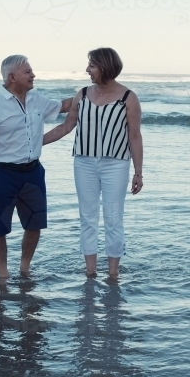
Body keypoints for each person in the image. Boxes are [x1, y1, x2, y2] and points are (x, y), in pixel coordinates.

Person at [0, 55, 73, 280]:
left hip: (33, 172)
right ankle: (2, 276)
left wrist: (90, 93)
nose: (33, 75)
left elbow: (63, 106)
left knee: (35, 224)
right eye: (28, 72)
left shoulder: (37, 99)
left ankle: (24, 268)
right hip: (0, 174)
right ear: (12, 77)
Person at [43, 47, 143, 280]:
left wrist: (138, 173)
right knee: (87, 217)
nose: (87, 69)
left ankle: (113, 273)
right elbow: (66, 127)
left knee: (113, 216)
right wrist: (31, 144)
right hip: (84, 162)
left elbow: (135, 136)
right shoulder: (84, 94)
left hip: (116, 164)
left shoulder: (129, 98)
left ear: (105, 67)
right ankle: (90, 271)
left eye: (92, 65)